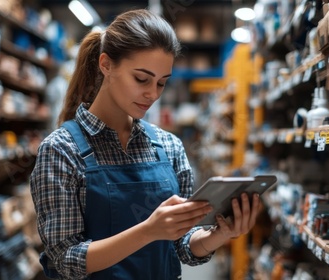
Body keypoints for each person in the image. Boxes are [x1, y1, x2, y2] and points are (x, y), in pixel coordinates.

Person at [30, 9, 262, 280]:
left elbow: (182, 247)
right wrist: (149, 230)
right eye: (141, 79)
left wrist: (220, 234)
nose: (152, 94)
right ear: (106, 64)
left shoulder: (169, 147)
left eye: (162, 83)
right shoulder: (61, 150)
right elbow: (65, 261)